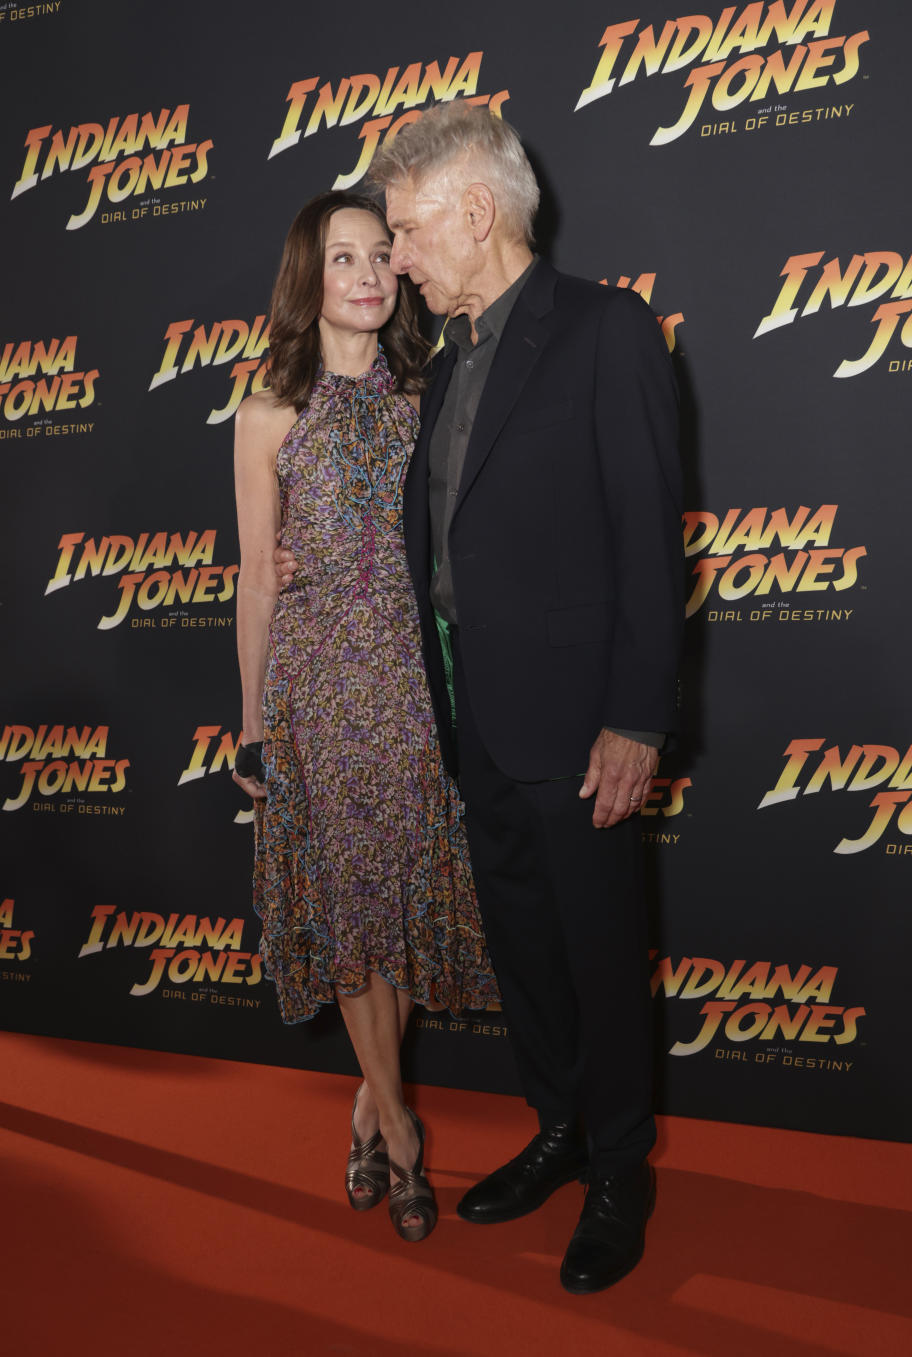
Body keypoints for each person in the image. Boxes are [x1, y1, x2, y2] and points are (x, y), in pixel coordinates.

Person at [279, 104, 684, 1293]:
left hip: (581, 727)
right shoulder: (446, 360)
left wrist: (639, 718)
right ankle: (555, 1129)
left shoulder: (608, 332)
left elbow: (651, 549)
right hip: (473, 728)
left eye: (403, 230)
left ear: (475, 213)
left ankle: (619, 1167)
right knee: (525, 953)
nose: (394, 257)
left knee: (603, 955)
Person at [232, 189, 498, 1245]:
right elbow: (257, 576)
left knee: (398, 903)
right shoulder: (265, 414)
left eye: (381, 256)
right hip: (314, 690)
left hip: (412, 684)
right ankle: (400, 1131)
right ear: (309, 276)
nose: (366, 273)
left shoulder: (431, 398)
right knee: (351, 914)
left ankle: (364, 1107)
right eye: (342, 257)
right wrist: (251, 722)